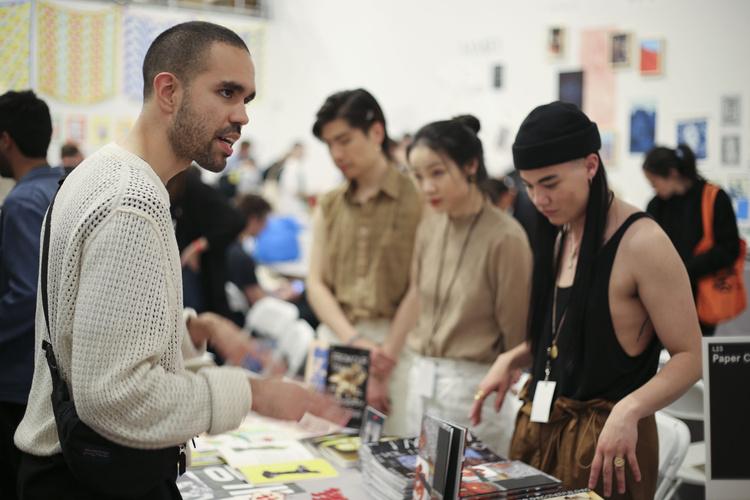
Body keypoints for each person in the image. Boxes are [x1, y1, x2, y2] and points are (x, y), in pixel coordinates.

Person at [14, 21, 347, 499]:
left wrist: (190, 328)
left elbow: (82, 326)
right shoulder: (133, 199)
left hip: (68, 466)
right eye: (227, 92)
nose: (242, 115)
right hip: (89, 475)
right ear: (168, 90)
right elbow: (114, 396)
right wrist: (255, 393)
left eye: (247, 98)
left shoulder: (102, 172)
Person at [470, 102, 702, 499]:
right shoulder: (563, 234)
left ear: (591, 165)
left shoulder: (642, 242)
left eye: (550, 183)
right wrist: (515, 357)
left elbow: (692, 357)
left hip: (607, 449)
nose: (538, 198)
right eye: (528, 185)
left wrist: (629, 409)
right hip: (547, 431)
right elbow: (574, 334)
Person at [381, 115, 532, 455]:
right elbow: (417, 295)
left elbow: (516, 338)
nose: (427, 187)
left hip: (472, 390)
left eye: (437, 173)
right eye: (418, 177)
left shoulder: (506, 238)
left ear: (470, 165)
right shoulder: (430, 225)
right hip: (419, 379)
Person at [307, 88, 422, 436]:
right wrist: (355, 342)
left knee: (393, 454)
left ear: (376, 132)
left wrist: (383, 358)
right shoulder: (329, 204)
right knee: (326, 452)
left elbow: (421, 286)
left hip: (397, 345)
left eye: (344, 140)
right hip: (338, 338)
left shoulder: (418, 199)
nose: (336, 153)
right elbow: (316, 283)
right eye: (329, 144)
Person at [0, 90, 62, 500]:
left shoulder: (23, 201)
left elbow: (25, 295)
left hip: (19, 377)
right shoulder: (64, 185)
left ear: (5, 140)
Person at [643, 144, 741, 336]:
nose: (654, 189)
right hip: (666, 298)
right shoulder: (656, 205)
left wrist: (685, 270)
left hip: (703, 296)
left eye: (655, 183)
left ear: (671, 173)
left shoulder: (715, 198)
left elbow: (729, 249)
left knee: (698, 353)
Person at [168, 165, 245, 318]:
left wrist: (198, 246)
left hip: (203, 275)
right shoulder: (175, 188)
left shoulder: (192, 187)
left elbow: (235, 220)